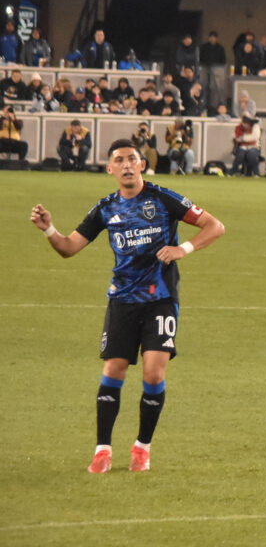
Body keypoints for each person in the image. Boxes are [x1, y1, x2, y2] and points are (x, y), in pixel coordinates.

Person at [29, 138, 225, 473]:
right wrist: (49, 229)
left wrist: (183, 249)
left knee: (153, 372)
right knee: (114, 369)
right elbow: (69, 247)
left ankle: (142, 447)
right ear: (110, 169)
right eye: (119, 160)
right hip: (121, 301)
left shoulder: (163, 198)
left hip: (160, 299)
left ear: (142, 164)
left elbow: (215, 226)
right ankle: (102, 450)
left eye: (132, 158)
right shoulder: (105, 208)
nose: (127, 164)